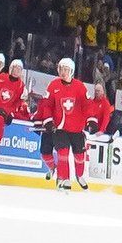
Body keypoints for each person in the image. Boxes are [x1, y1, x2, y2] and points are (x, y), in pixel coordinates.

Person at [35, 57, 94, 192]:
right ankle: (64, 178)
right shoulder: (53, 85)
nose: (63, 72)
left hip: (76, 128)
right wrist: (48, 120)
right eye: (61, 69)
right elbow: (46, 105)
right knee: (63, 152)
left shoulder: (79, 86)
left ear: (71, 71)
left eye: (66, 69)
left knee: (79, 156)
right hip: (60, 128)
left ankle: (79, 175)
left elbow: (87, 105)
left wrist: (91, 119)